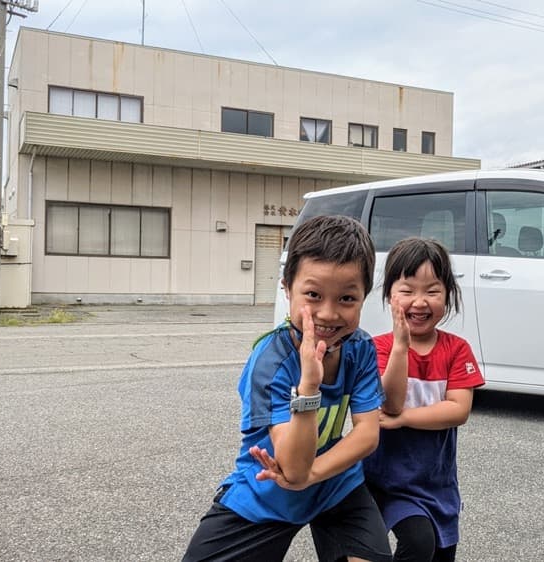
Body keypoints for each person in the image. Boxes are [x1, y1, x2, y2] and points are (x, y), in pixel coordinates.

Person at [183, 215, 392, 562]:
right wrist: (309, 384)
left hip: (335, 484)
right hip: (268, 489)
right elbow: (291, 468)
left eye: (346, 298)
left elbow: (367, 434)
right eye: (313, 295)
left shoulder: (360, 348)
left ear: (363, 296)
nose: (327, 313)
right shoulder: (271, 360)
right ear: (287, 287)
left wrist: (314, 474)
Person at [363, 237, 485, 562]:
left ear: (448, 294)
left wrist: (404, 419)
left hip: (436, 481)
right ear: (390, 295)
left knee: (442, 552)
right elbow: (389, 403)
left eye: (432, 291)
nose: (419, 302)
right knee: (418, 543)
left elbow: (458, 409)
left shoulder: (457, 350)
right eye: (407, 291)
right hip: (386, 480)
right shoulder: (378, 348)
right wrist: (401, 347)